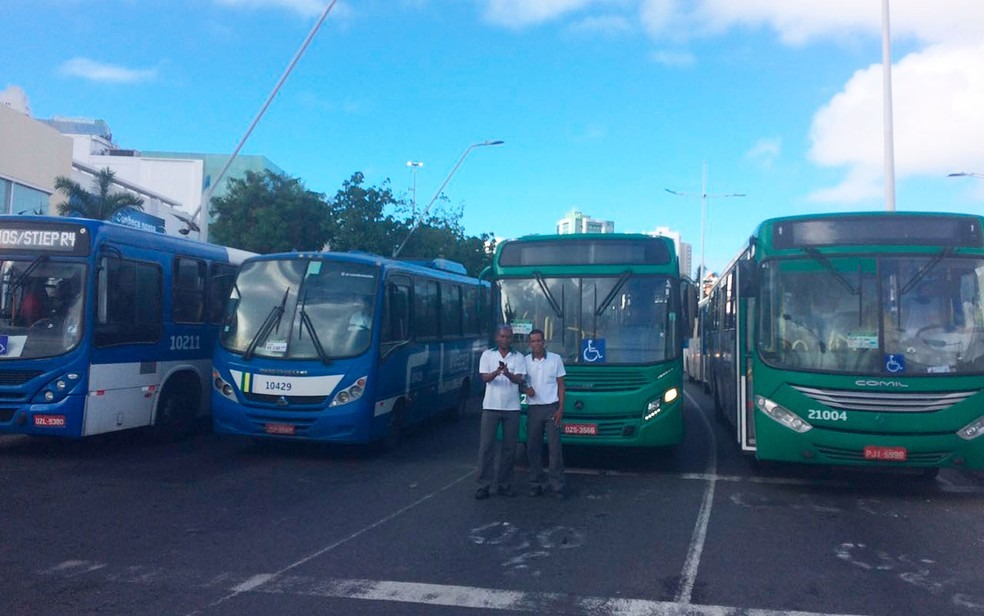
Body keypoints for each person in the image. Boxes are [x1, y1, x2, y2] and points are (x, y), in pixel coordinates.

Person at [475, 325, 526, 500]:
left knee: (509, 449)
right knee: (487, 447)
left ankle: (505, 484)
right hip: (491, 406)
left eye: (509, 337)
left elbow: (520, 379)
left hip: (512, 408)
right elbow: (484, 378)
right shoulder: (488, 355)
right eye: (503, 337)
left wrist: (508, 374)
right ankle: (483, 485)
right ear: (497, 338)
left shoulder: (518, 357)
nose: (506, 340)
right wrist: (497, 372)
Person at [524, 328, 567, 499]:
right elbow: (520, 383)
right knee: (533, 448)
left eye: (539, 341)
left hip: (552, 408)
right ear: (530, 344)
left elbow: (561, 385)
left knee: (555, 449)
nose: (536, 344)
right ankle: (536, 483)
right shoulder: (525, 361)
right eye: (533, 341)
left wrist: (561, 408)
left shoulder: (555, 360)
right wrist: (526, 389)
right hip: (534, 408)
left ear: (544, 342)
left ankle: (557, 485)